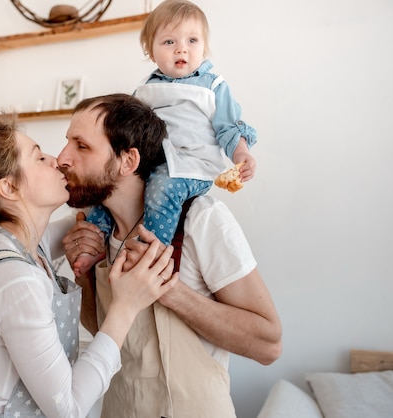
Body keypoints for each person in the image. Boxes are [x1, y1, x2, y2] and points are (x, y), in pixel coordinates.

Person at [0, 115, 178, 418]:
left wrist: (126, 183)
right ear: (9, 187)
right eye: (39, 157)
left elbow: (84, 220)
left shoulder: (1, 242)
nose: (56, 160)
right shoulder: (15, 282)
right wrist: (125, 306)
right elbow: (67, 408)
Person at [58, 94, 282, 417]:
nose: (62, 158)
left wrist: (171, 291)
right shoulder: (94, 231)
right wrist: (82, 271)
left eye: (81, 146)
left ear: (128, 161)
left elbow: (269, 344)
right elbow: (101, 329)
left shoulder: (201, 219)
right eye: (67, 143)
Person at [74, 0, 258, 277]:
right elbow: (131, 131)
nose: (182, 48)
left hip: (190, 165)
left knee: (162, 190)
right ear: (151, 51)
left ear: (204, 47)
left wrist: (241, 155)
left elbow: (228, 128)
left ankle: (152, 254)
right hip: (153, 161)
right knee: (109, 183)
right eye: (169, 41)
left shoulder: (212, 86)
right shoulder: (146, 89)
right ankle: (95, 241)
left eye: (192, 40)